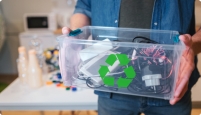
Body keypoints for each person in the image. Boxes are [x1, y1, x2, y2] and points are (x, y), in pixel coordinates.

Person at [62, 0, 201, 115]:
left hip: (170, 87)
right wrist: (76, 37)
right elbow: (84, 7)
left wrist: (190, 47)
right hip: (111, 88)